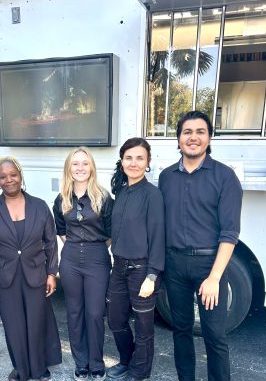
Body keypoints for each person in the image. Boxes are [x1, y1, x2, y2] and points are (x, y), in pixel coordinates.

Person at [158, 110, 243, 381]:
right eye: (187, 132)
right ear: (179, 138)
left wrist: (215, 277)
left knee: (214, 335)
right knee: (181, 331)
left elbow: (230, 233)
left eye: (200, 132)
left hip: (209, 266)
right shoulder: (166, 177)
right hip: (174, 265)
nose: (193, 137)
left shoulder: (225, 177)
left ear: (209, 137)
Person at [0, 156, 62, 381]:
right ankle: (21, 369)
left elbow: (50, 242)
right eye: (3, 177)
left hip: (35, 272)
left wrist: (51, 273)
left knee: (36, 322)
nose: (9, 180)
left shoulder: (39, 206)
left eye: (13, 175)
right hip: (4, 276)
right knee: (13, 325)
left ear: (20, 175)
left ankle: (39, 368)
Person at [106, 138, 165, 381]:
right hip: (118, 268)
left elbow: (158, 236)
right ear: (121, 161)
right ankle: (127, 361)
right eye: (129, 157)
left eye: (140, 158)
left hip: (142, 270)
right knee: (116, 320)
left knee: (143, 327)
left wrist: (152, 276)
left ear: (148, 162)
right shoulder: (120, 191)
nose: (134, 163)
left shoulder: (153, 195)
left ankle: (139, 372)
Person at [53, 147, 113, 381]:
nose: (80, 168)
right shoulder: (61, 199)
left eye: (84, 164)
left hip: (97, 258)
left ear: (91, 168)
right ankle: (81, 364)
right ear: (69, 168)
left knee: (95, 313)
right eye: (75, 164)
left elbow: (110, 232)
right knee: (74, 312)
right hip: (69, 260)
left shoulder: (104, 197)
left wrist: (92, 248)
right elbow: (61, 230)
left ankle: (97, 363)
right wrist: (77, 247)